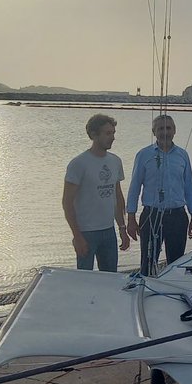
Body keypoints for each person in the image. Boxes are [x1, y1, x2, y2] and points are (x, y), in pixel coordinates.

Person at [126, 114, 192, 275]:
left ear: (174, 131)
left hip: (177, 216)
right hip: (151, 215)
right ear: (154, 132)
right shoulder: (144, 155)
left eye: (168, 128)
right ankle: (145, 291)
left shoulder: (182, 155)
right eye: (160, 129)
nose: (164, 132)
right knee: (148, 261)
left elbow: (189, 186)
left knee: (176, 263)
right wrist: (130, 218)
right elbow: (135, 187)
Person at [62, 114, 130, 271]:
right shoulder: (78, 164)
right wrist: (77, 236)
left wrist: (122, 228)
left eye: (113, 133)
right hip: (86, 232)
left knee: (110, 277)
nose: (112, 137)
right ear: (94, 135)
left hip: (108, 231)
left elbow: (117, 196)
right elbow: (67, 203)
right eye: (107, 133)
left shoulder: (115, 161)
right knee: (85, 280)